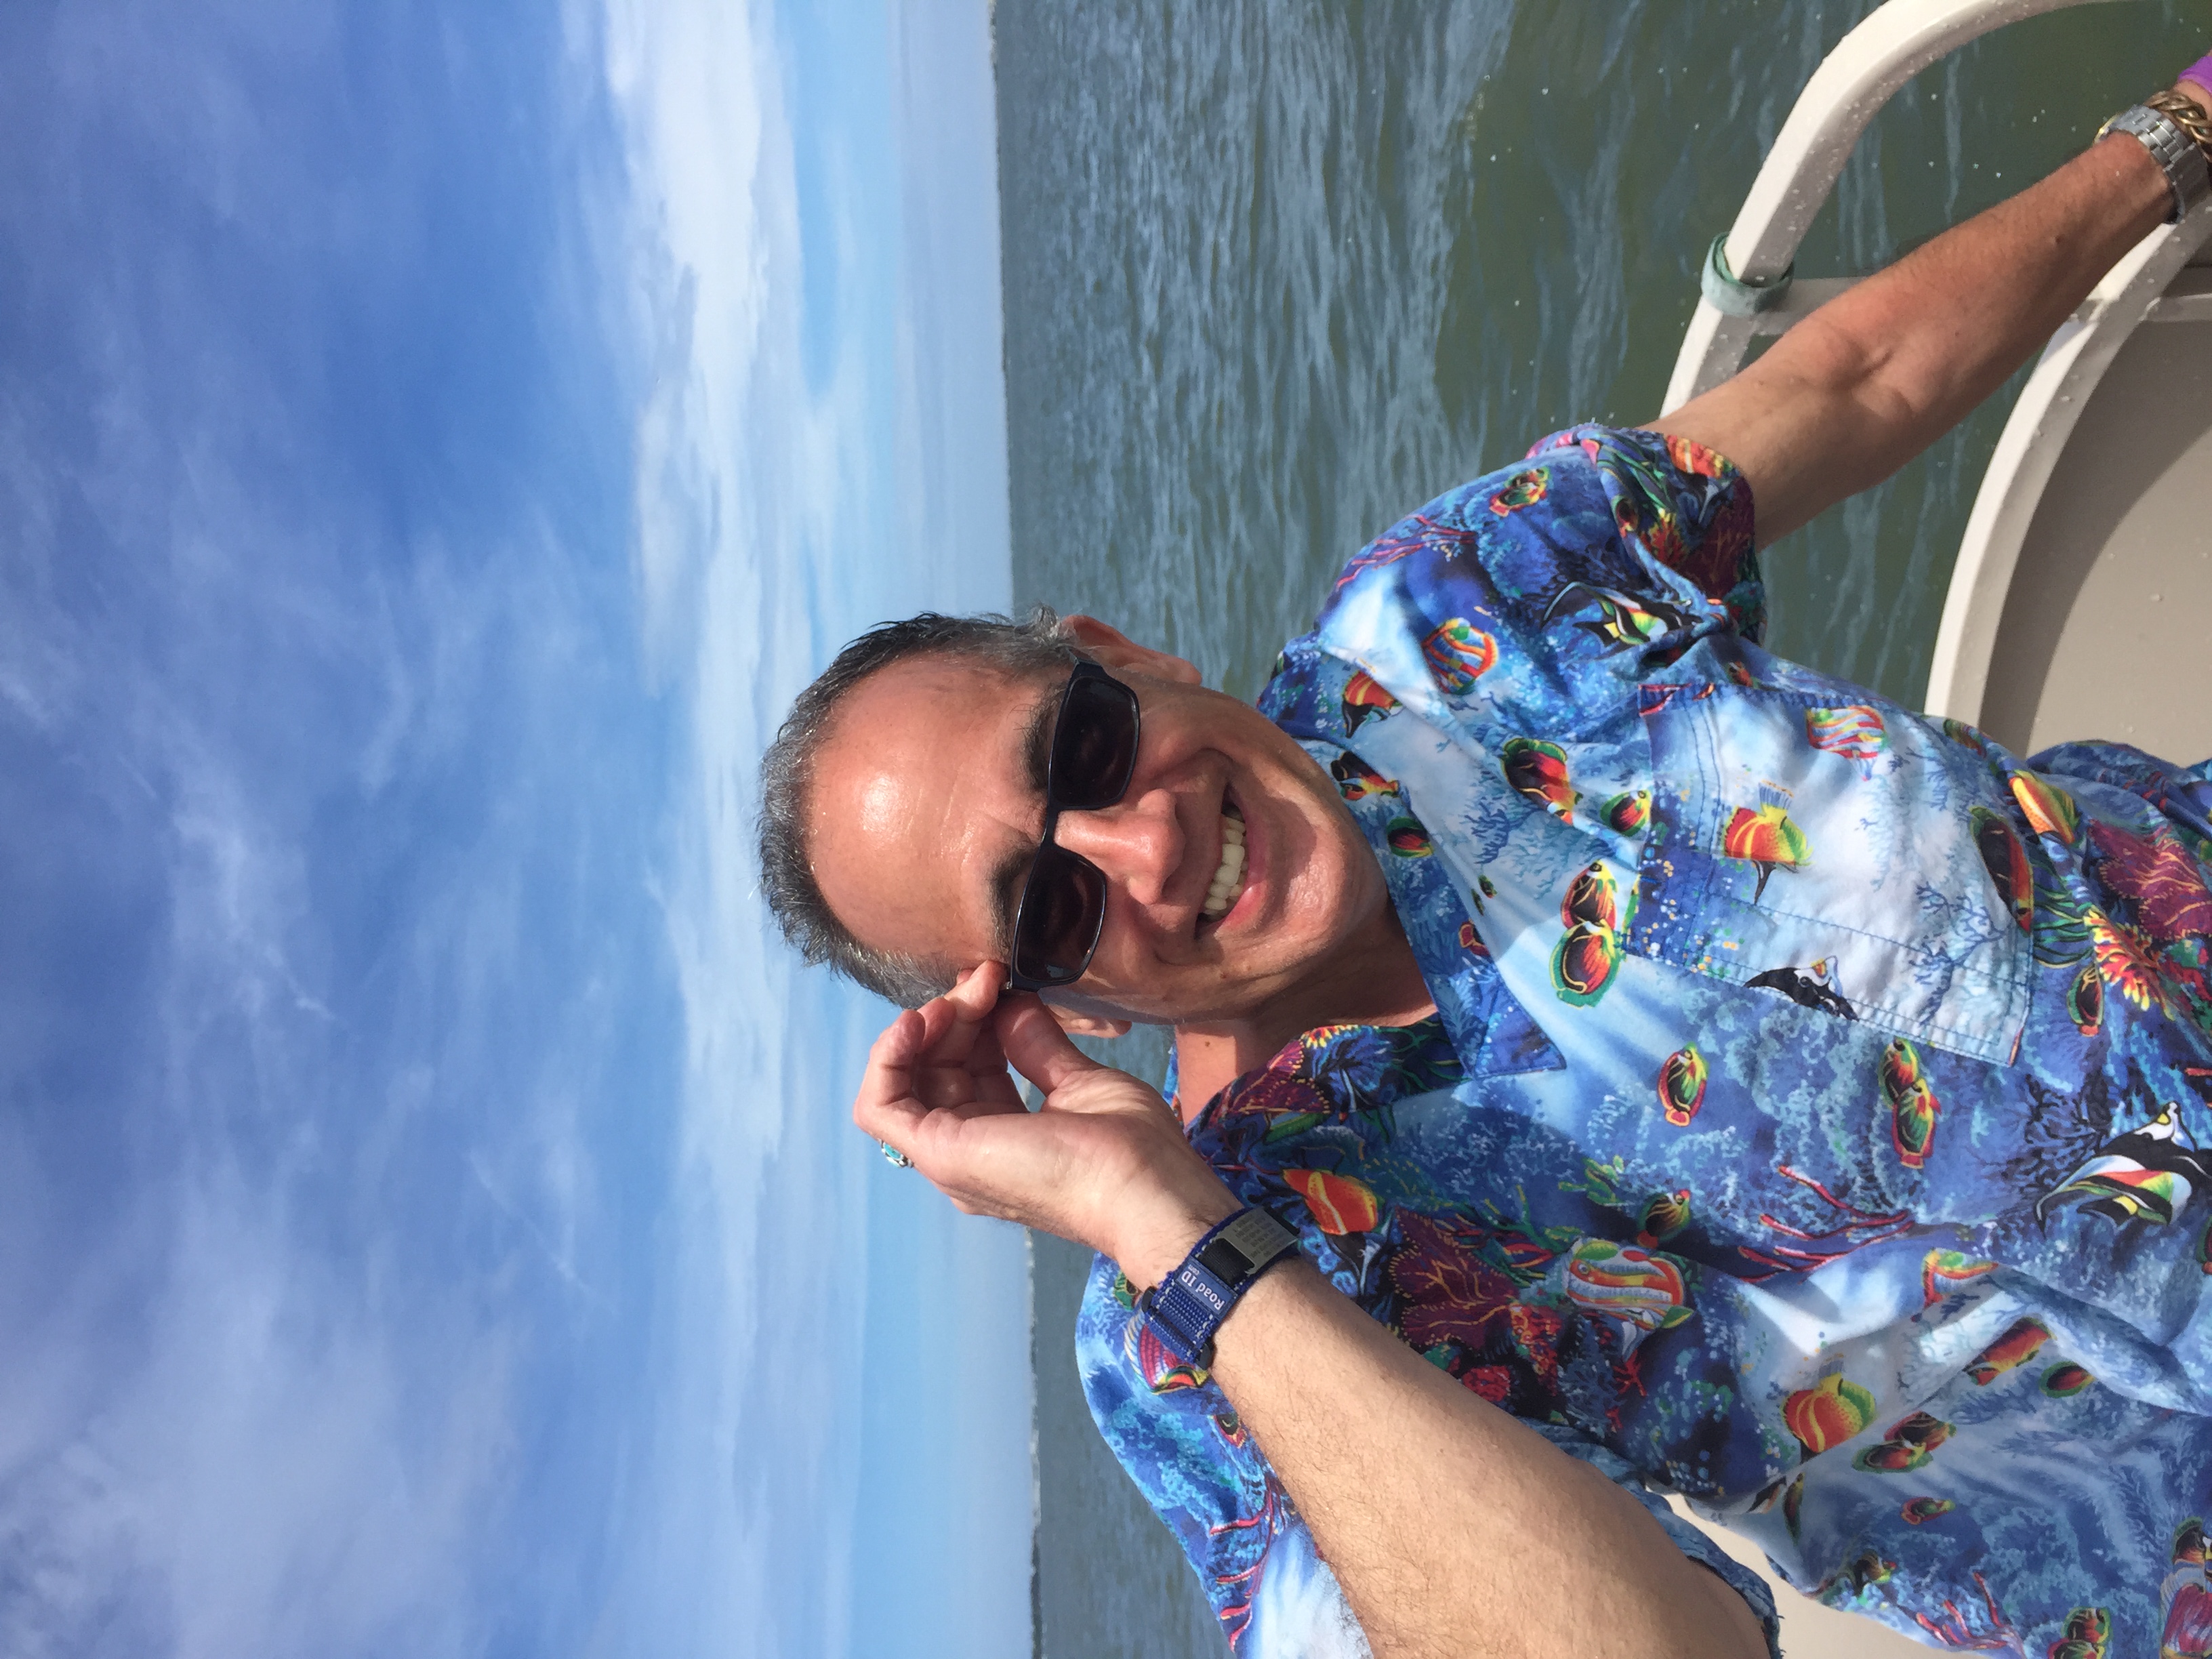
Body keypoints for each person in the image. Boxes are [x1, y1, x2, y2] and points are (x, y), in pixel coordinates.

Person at [759, 60, 2212, 1659]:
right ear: (1061, 1008)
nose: (1148, 839)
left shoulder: (1455, 610)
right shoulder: (1244, 1289)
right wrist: (1156, 1216)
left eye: (1085, 751)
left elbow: (1851, 382)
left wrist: (2178, 137)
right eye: (1054, 906)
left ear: (1125, 655)